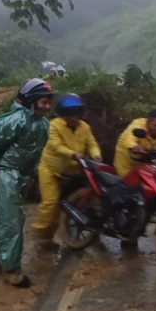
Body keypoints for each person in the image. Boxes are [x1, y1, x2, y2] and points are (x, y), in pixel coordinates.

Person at [0, 78, 53, 288]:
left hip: (20, 175)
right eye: (43, 102)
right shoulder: (16, 120)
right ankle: (11, 270)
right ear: (31, 101)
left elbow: (34, 153)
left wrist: (29, 176)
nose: (46, 106)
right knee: (12, 220)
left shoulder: (43, 125)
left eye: (48, 102)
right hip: (3, 172)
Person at [32, 93, 101, 247]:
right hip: (50, 168)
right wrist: (73, 154)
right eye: (69, 113)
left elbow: (92, 143)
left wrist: (96, 155)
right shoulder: (52, 126)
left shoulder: (85, 127)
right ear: (62, 114)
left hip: (73, 170)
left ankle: (63, 234)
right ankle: (41, 234)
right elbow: (56, 147)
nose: (73, 116)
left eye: (76, 112)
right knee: (50, 202)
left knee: (69, 205)